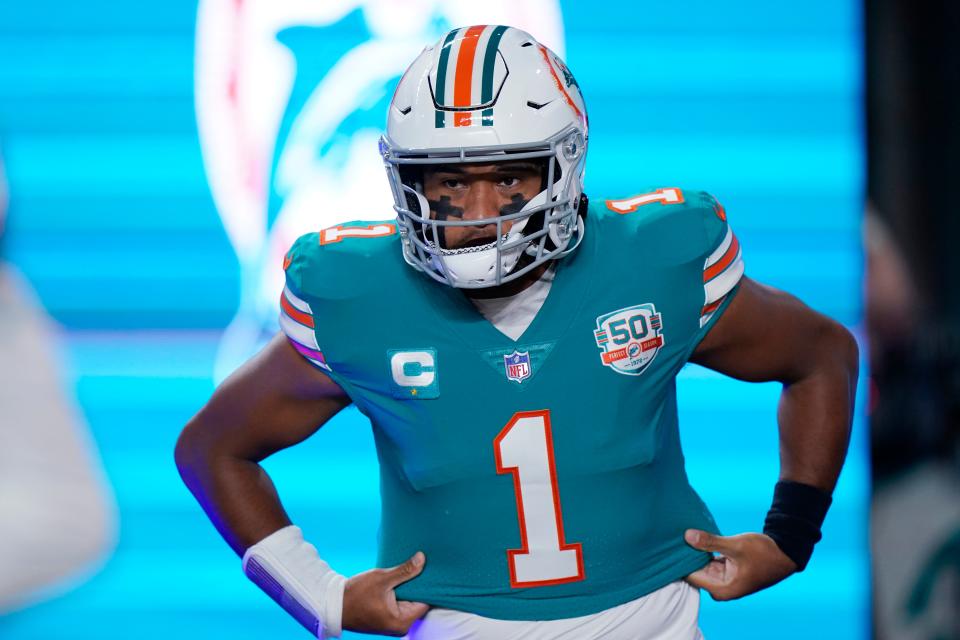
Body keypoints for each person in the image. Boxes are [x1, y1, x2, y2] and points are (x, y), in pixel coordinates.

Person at [176, 25, 859, 639]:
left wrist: (792, 534)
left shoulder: (654, 262)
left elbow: (823, 354)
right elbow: (211, 449)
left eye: (507, 177)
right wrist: (318, 598)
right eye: (447, 181)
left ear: (563, 165)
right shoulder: (359, 294)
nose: (478, 211)